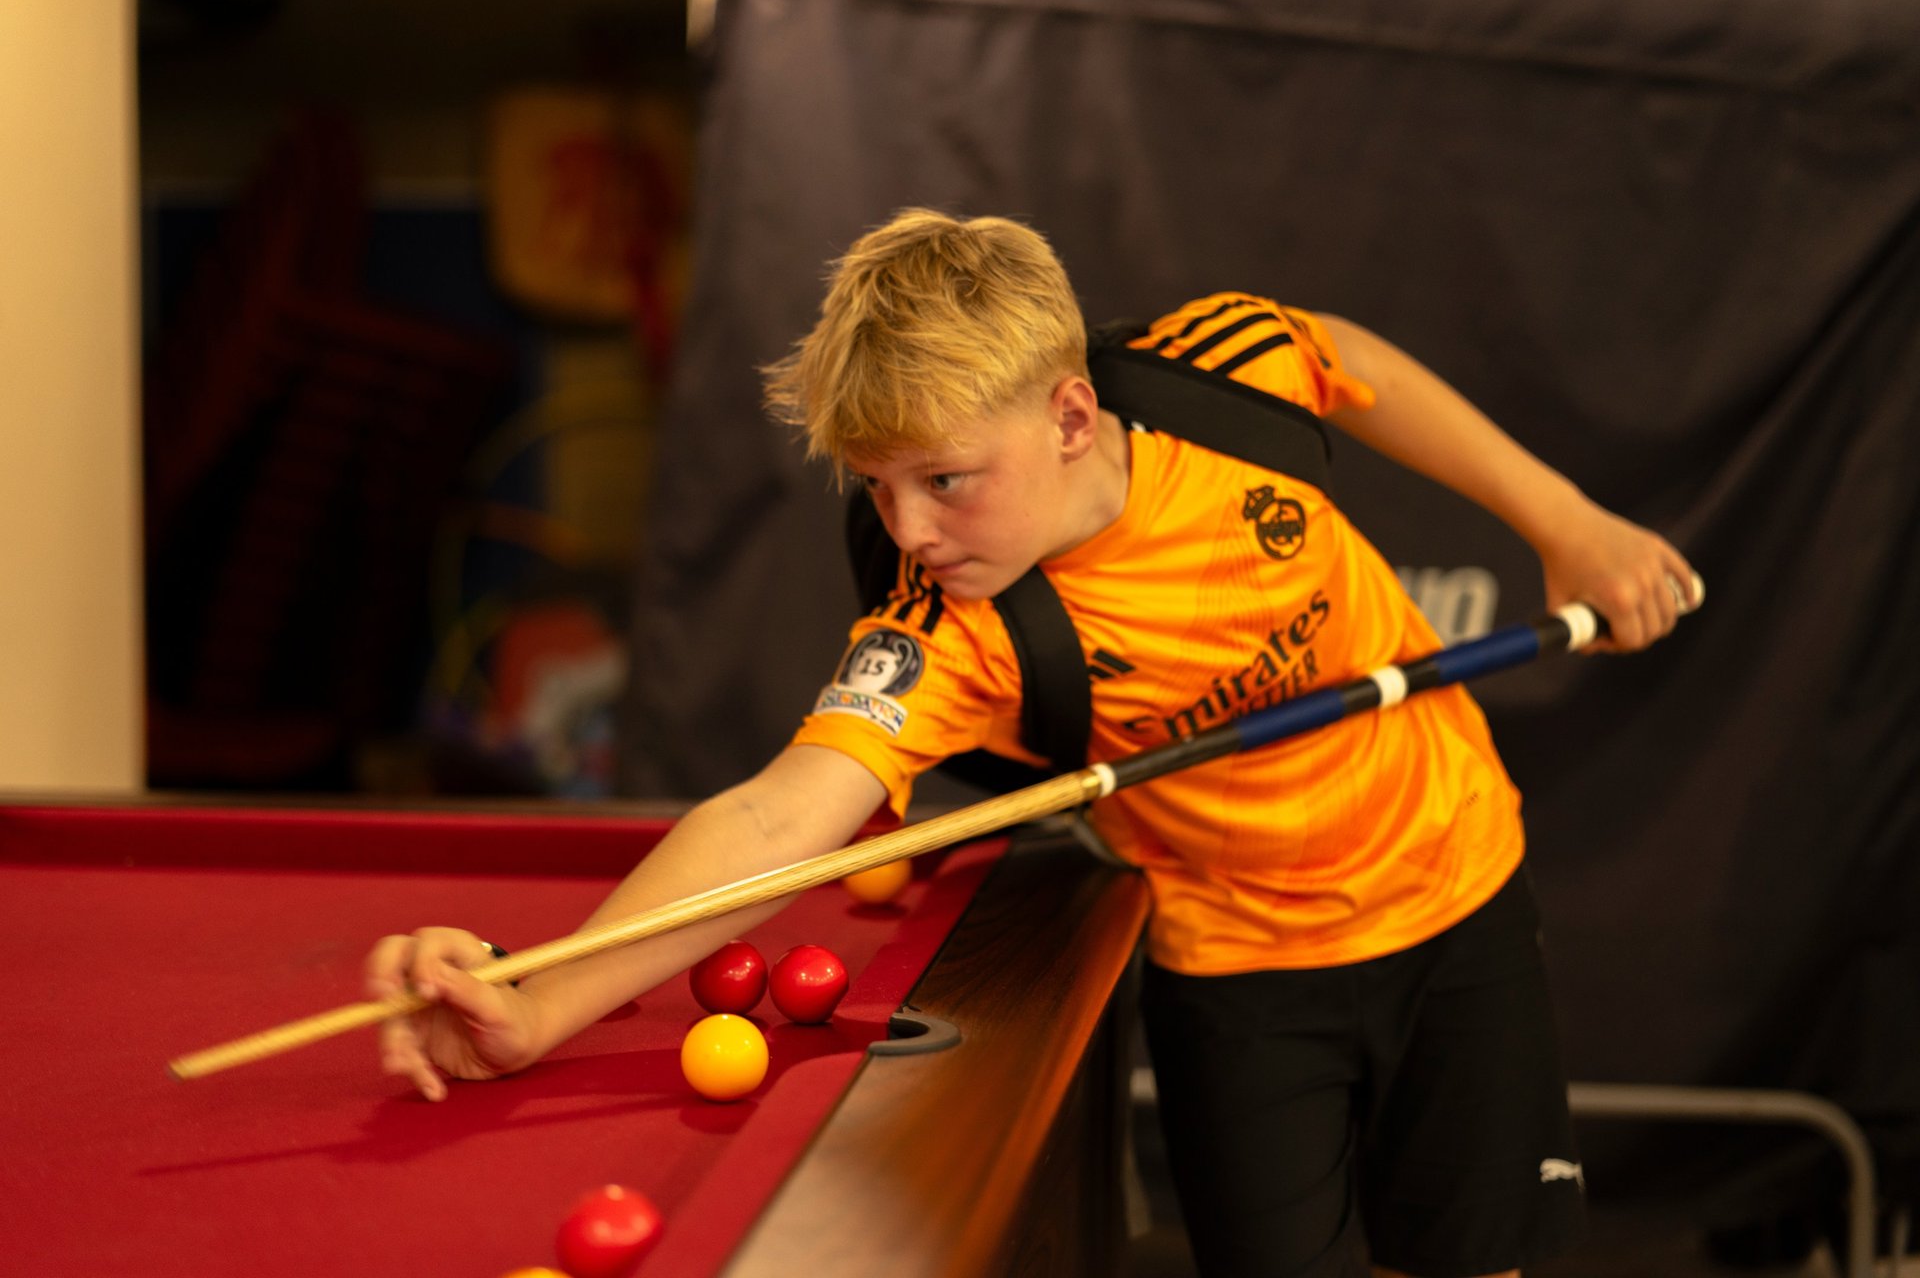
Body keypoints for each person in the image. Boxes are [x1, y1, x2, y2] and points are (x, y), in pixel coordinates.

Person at [366, 209, 1697, 1278]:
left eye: (943, 479)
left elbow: (1354, 362)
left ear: (1068, 416)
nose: (912, 534)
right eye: (875, 490)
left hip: (1458, 892)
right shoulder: (948, 632)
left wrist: (1566, 523)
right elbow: (777, 819)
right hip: (1235, 974)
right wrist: (533, 1003)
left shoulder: (1219, 378)